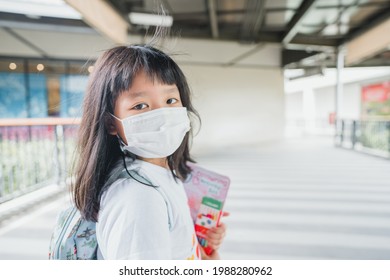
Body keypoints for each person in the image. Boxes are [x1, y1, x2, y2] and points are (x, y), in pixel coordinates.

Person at [72, 44, 227, 260]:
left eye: (170, 100)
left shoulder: (159, 172)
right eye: (140, 106)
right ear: (110, 123)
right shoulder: (139, 197)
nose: (163, 115)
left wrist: (201, 249)